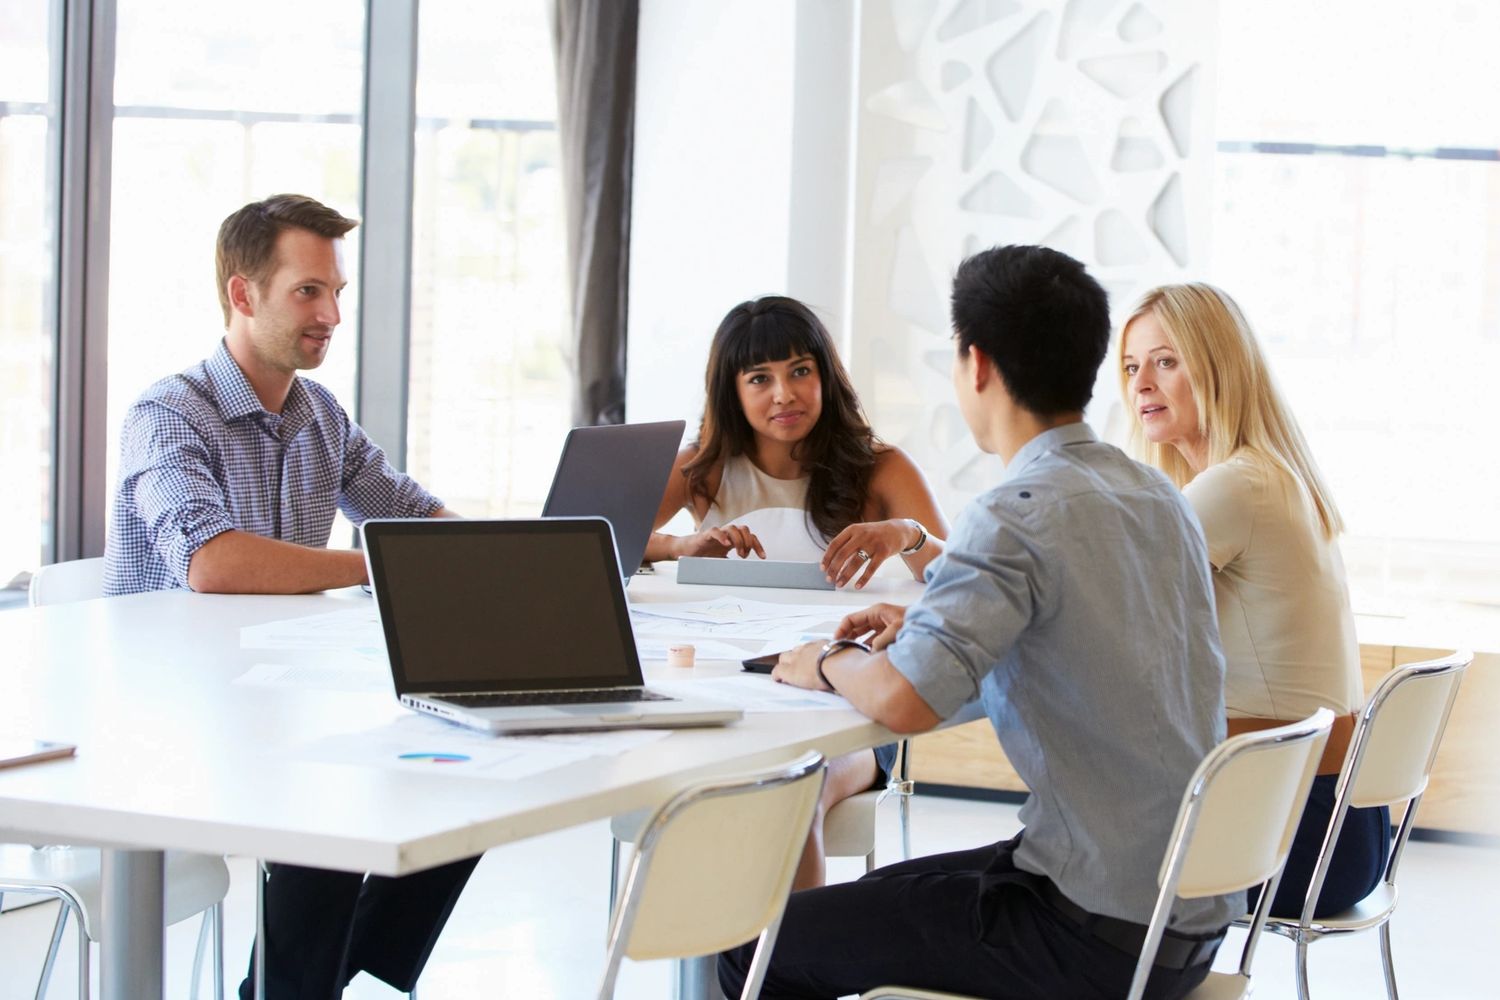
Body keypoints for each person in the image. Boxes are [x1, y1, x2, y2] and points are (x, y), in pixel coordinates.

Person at [718, 245, 1236, 1000]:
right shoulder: (1156, 496)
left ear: (978, 364)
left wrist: (823, 662)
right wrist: (922, 633)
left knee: (758, 950)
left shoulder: (1014, 511)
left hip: (1090, 933)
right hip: (1179, 918)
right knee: (866, 902)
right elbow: (1068, 646)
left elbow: (903, 702)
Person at [102, 194, 477, 998]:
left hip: (282, 705)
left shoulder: (318, 415)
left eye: (336, 292)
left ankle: (310, 988)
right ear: (243, 294)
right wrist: (384, 565)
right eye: (309, 291)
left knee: (465, 773)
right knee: (336, 803)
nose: (332, 313)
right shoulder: (169, 414)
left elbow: (410, 512)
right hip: (170, 719)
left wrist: (484, 555)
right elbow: (212, 562)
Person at [646, 295, 948, 889]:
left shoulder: (881, 468)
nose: (783, 394)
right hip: (729, 693)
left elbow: (956, 581)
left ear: (825, 377)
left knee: (788, 794)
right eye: (760, 378)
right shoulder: (700, 469)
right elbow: (610, 537)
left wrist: (905, 534)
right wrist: (680, 547)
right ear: (731, 391)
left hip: (852, 704)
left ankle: (785, 972)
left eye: (800, 372)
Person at [1119, 282, 1389, 918]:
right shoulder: (1273, 475)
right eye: (1131, 367)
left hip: (1295, 835)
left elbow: (1091, 598)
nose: (1141, 385)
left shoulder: (1234, 487)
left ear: (1218, 367)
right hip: (1344, 830)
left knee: (1060, 865)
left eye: (1165, 360)